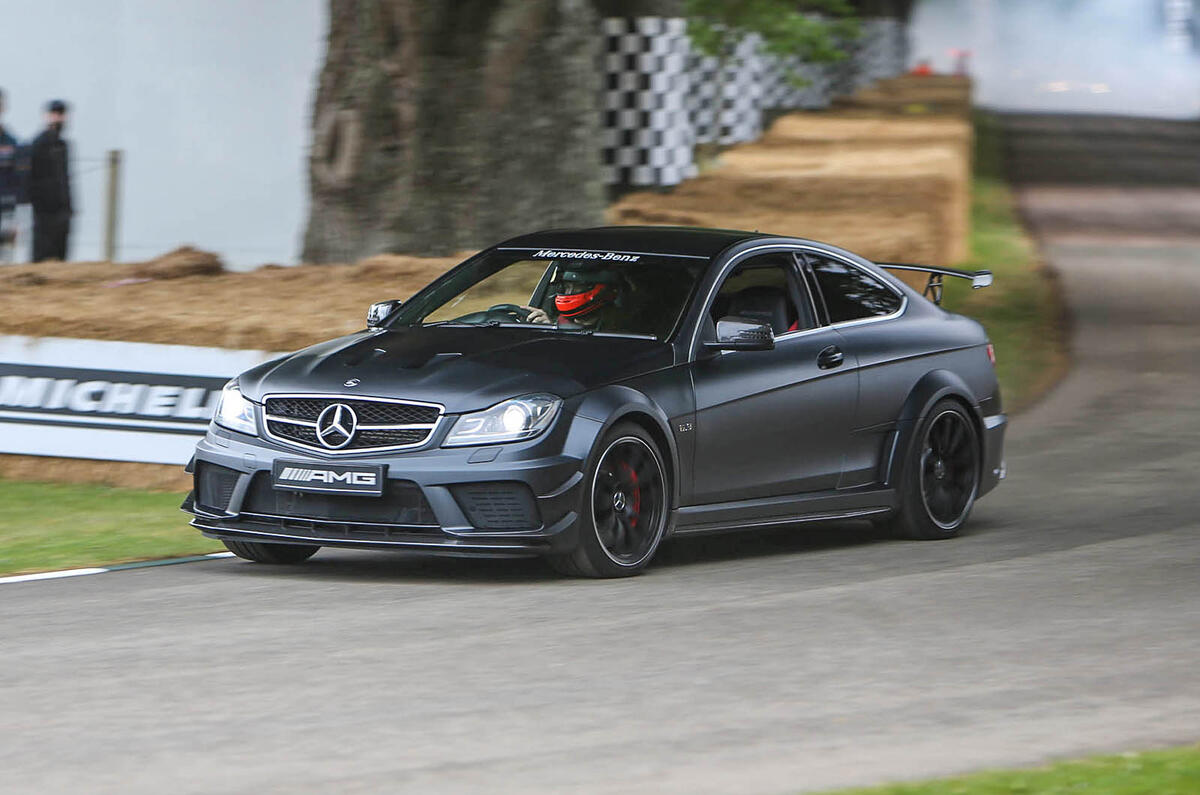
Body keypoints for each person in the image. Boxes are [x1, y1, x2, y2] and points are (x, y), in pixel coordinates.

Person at [28, 99, 72, 262]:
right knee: (41, 256)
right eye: (54, 114)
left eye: (61, 114)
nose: (58, 118)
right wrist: (38, 205)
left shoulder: (62, 145)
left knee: (60, 257)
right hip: (44, 213)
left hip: (62, 212)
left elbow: (65, 179)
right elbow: (31, 179)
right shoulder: (38, 144)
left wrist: (68, 207)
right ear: (46, 116)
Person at [527, 265, 627, 331]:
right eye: (566, 287)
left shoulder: (620, 326)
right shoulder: (556, 321)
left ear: (601, 290)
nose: (568, 293)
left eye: (577, 288)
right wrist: (550, 327)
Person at [0, 89, 21, 262]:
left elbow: (18, 179)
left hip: (6, 209)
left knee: (6, 258)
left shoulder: (11, 142)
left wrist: (17, 217)